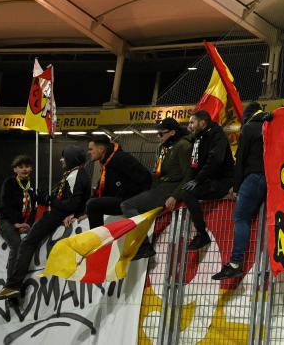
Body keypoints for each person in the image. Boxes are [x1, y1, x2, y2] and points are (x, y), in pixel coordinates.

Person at [0, 146, 91, 301]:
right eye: (21, 167)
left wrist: (52, 201)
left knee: (26, 243)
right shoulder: (73, 174)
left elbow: (73, 202)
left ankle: (13, 286)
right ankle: (13, 287)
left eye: (64, 157)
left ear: (71, 158)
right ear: (15, 169)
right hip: (13, 221)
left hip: (58, 215)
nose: (61, 159)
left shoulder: (75, 175)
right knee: (23, 243)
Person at [121, 118, 194, 259]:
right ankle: (143, 245)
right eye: (158, 133)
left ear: (172, 132)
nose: (158, 136)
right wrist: (149, 193)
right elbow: (157, 174)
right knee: (131, 203)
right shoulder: (163, 147)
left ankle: (143, 246)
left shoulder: (183, 146)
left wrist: (175, 196)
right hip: (161, 187)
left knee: (127, 205)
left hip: (171, 187)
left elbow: (189, 176)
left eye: (161, 134)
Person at [213, 102, 267, 280]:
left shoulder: (249, 128)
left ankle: (235, 263)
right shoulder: (270, 124)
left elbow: (241, 160)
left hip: (252, 178)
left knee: (241, 219)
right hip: (271, 179)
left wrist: (236, 188)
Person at [180, 110, 235, 250]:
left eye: (192, 122)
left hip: (223, 181)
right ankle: (201, 234)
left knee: (188, 193)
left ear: (203, 122)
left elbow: (215, 160)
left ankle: (202, 234)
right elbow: (194, 164)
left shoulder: (217, 136)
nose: (189, 126)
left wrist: (197, 180)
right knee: (185, 191)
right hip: (208, 180)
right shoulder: (198, 138)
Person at [84, 136, 151, 229]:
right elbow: (101, 190)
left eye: (91, 149)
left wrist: (138, 199)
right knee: (92, 205)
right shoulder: (106, 164)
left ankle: (98, 240)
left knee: (93, 205)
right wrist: (85, 212)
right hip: (120, 200)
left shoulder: (122, 158)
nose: (89, 152)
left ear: (101, 149)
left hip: (130, 201)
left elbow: (146, 177)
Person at [0, 155, 38, 279]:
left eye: (27, 166)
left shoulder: (31, 185)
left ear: (31, 169)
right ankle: (11, 285)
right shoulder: (9, 182)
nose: (25, 169)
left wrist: (28, 224)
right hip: (6, 222)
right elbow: (5, 205)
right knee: (17, 244)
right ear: (15, 170)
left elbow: (34, 208)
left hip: (23, 224)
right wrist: (15, 223)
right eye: (21, 167)